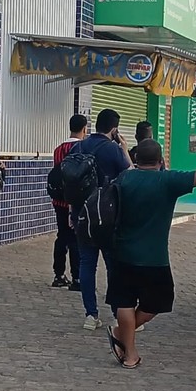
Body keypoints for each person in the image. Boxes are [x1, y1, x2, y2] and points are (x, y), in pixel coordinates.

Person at [107, 141, 196, 368]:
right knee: (155, 305)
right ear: (161, 161)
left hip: (120, 254)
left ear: (136, 160)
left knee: (124, 303)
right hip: (154, 259)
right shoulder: (167, 181)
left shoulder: (124, 178)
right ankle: (130, 352)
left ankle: (122, 336)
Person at [73, 108, 132, 331]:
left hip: (82, 215)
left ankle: (91, 314)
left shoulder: (79, 146)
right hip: (108, 217)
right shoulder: (113, 150)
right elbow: (129, 174)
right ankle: (118, 314)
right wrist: (124, 149)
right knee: (112, 266)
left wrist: (73, 212)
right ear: (114, 129)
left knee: (86, 265)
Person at [51, 115, 87, 290]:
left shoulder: (58, 149)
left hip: (58, 201)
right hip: (76, 201)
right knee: (75, 239)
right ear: (84, 129)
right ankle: (77, 278)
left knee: (62, 236)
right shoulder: (82, 148)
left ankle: (58, 275)